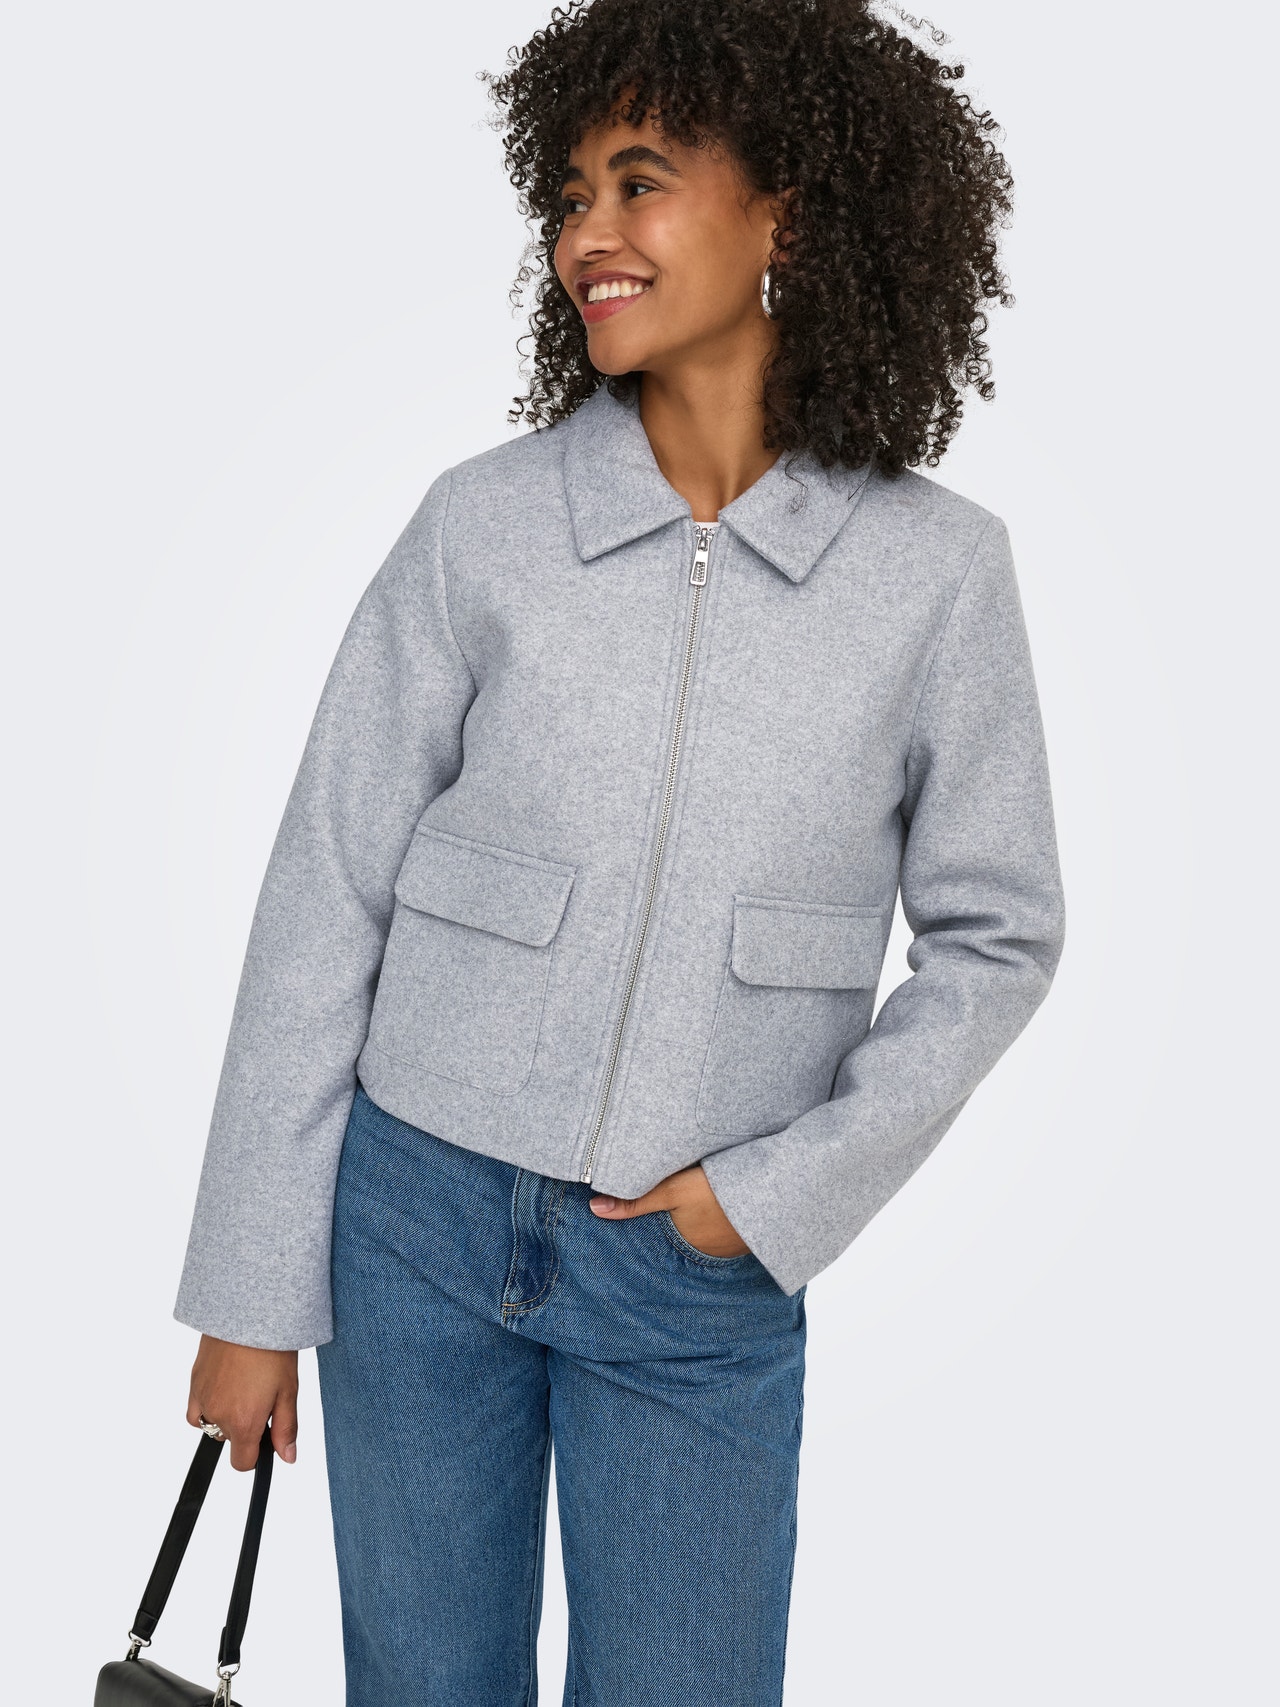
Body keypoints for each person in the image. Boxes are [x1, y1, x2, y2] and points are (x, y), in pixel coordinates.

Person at [176, 2, 1066, 1702]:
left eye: (640, 183)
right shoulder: (483, 527)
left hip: (693, 1264)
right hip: (413, 1224)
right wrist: (251, 1286)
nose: (589, 231)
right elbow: (325, 891)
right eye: (571, 194)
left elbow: (999, 935)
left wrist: (778, 1196)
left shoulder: (935, 575)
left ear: (785, 209)